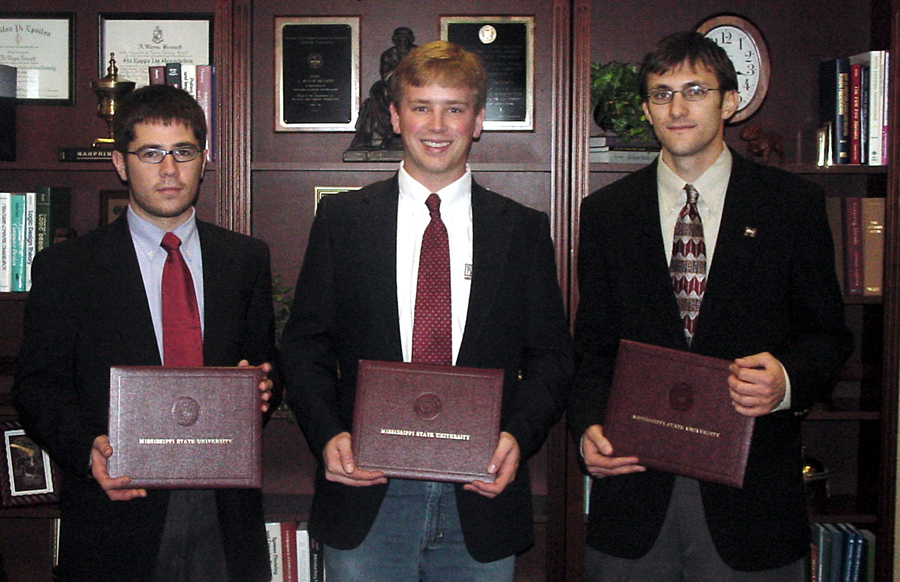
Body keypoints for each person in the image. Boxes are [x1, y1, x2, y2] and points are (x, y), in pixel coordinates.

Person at [280, 40, 573, 582]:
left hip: (481, 494)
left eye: (454, 108)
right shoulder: (343, 221)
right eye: (421, 107)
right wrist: (328, 436)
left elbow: (553, 357)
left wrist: (518, 437)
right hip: (368, 492)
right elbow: (304, 347)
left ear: (479, 121)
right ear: (395, 116)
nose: (437, 125)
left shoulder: (522, 229)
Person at [567, 31, 853, 581]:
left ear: (729, 101)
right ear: (647, 110)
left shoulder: (792, 205)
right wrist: (587, 430)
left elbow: (829, 336)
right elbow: (593, 347)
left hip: (753, 501)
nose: (676, 108)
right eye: (661, 93)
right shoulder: (606, 213)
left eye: (694, 90)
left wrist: (786, 381)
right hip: (633, 497)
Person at [12, 84, 278, 582]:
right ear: (120, 163)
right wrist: (86, 447)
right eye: (151, 153)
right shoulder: (68, 268)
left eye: (183, 151)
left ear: (203, 159)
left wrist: (263, 385)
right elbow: (38, 385)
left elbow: (265, 363)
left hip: (223, 509)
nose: (170, 169)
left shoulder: (244, 259)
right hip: (116, 505)